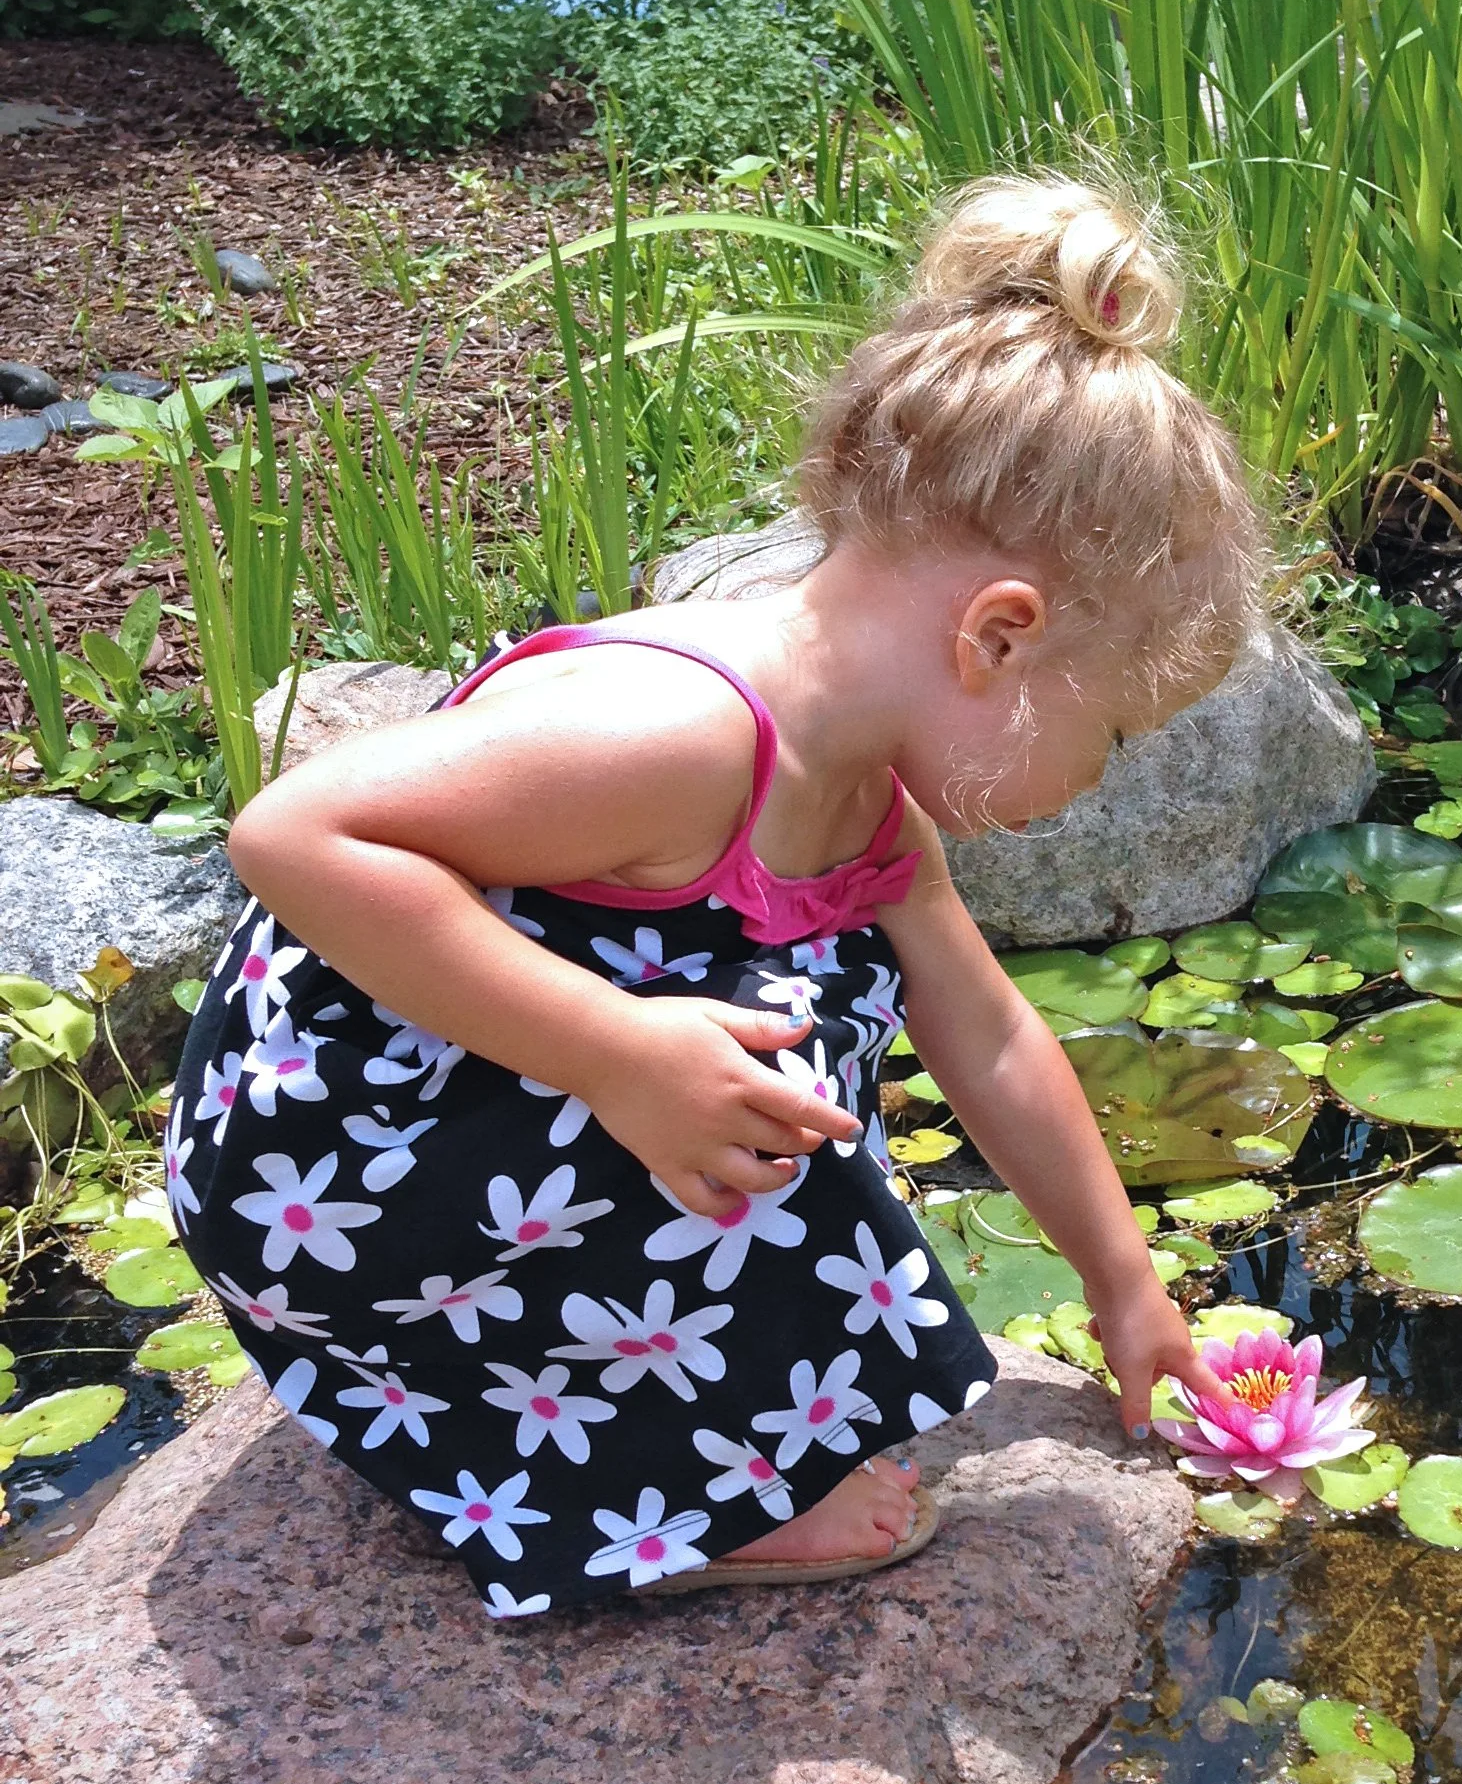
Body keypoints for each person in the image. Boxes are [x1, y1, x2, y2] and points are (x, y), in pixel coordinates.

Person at [166, 174, 1258, 1617]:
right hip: (335, 1172)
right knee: (751, 1085)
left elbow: (986, 1035)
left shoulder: (862, 794)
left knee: (772, 1071)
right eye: (1111, 731)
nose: (1099, 776)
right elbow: (297, 835)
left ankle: (632, 1388)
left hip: (478, 1148)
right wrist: (613, 1053)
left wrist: (1126, 1288)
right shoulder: (680, 733)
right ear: (1001, 637)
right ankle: (681, 1500)